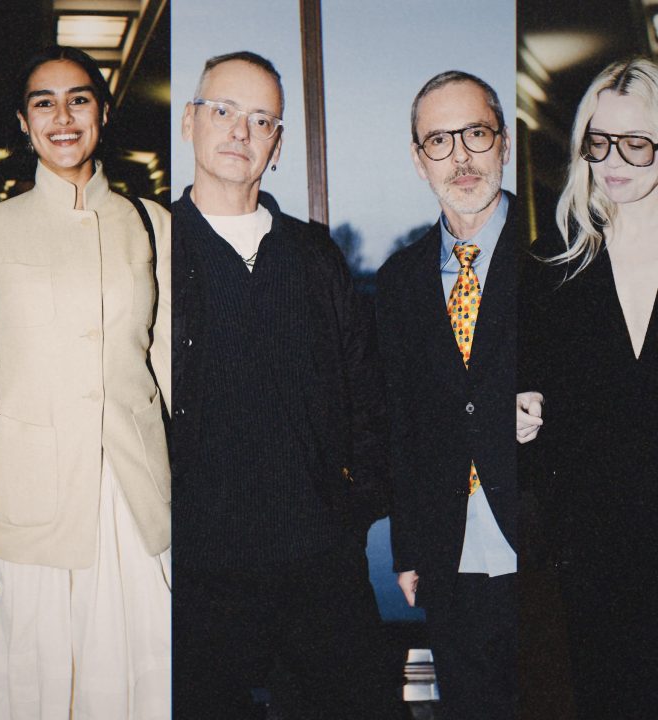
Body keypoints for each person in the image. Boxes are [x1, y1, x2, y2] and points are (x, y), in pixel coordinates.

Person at [171, 51, 405, 720]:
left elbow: (366, 396)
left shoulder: (314, 255)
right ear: (189, 121)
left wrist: (348, 515)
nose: (239, 131)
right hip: (199, 575)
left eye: (261, 119)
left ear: (276, 144)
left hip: (318, 568)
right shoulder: (153, 249)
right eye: (223, 110)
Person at [0, 46, 171, 719]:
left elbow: (170, 370)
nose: (62, 116)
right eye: (43, 103)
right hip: (25, 504)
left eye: (78, 99)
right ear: (24, 123)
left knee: (137, 678)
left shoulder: (153, 224)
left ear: (102, 113)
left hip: (133, 498)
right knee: (35, 681)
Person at [518, 57, 658, 720]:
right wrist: (524, 412)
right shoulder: (553, 263)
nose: (612, 162)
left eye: (636, 144)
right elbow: (530, 399)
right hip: (598, 553)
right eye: (598, 143)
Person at [377, 71, 517, 720]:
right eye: (439, 141)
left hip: (545, 543)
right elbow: (401, 423)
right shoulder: (398, 281)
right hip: (447, 551)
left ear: (503, 142)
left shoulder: (556, 253)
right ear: (418, 159)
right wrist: (408, 551)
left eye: (475, 134)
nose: (460, 157)